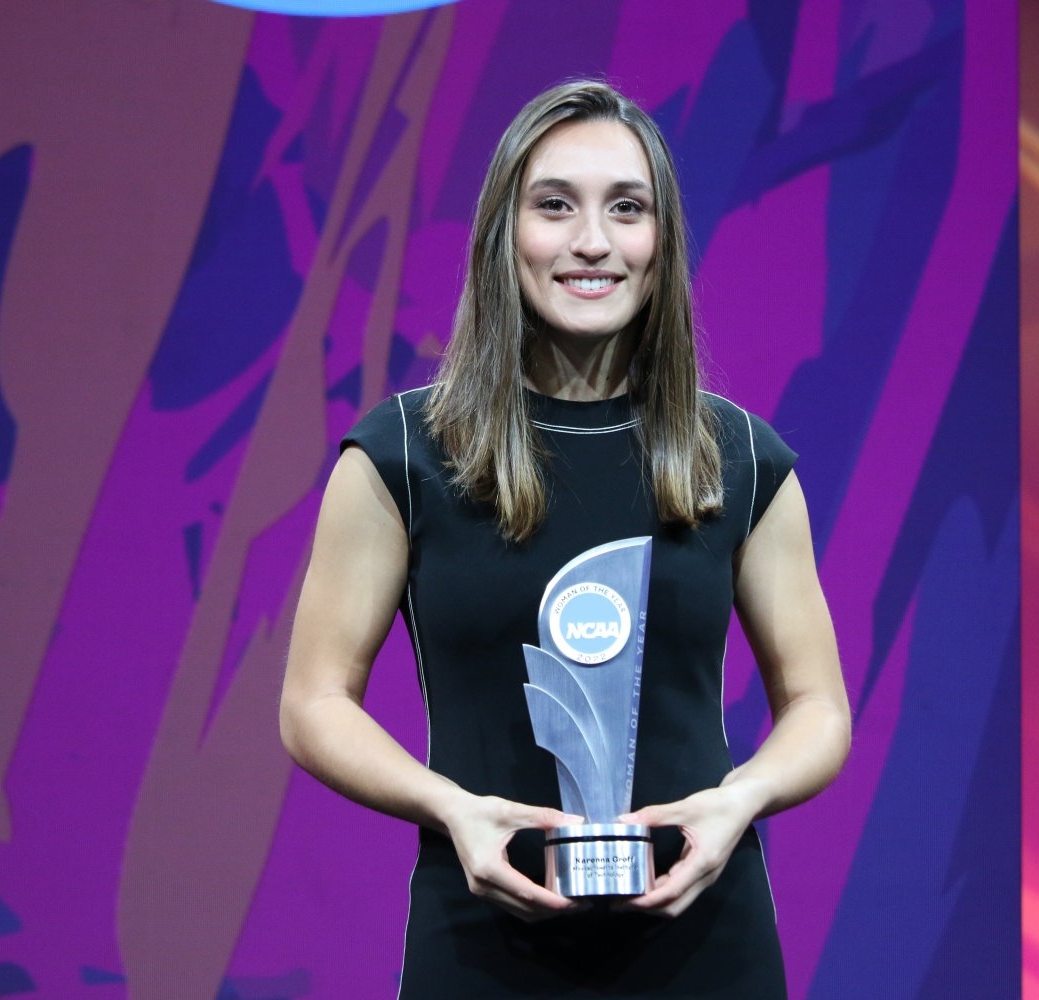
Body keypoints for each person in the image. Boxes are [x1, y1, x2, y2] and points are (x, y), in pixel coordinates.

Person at [280, 80, 850, 998]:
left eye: (627, 209)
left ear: (661, 247)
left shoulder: (739, 459)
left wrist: (737, 802)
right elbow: (312, 704)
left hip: (707, 939)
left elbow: (820, 706)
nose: (593, 242)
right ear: (505, 236)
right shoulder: (401, 455)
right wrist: (451, 811)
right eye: (555, 207)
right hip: (482, 943)